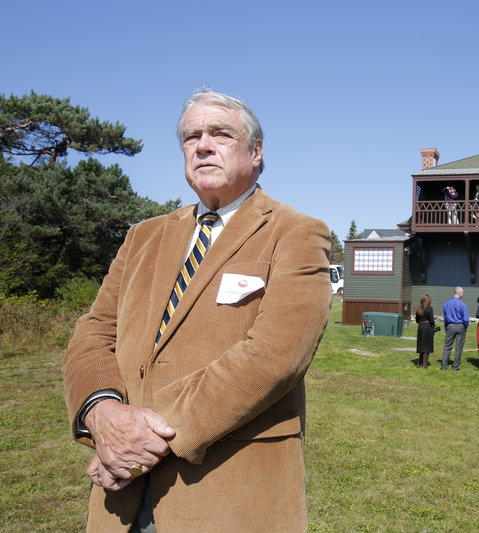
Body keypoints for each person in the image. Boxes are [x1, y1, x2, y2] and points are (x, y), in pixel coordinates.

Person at [62, 89, 331, 532]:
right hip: (120, 495)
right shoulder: (142, 236)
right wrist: (103, 414)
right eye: (191, 136)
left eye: (221, 133)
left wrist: (141, 440)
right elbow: (94, 333)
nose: (202, 145)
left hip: (227, 491)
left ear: (256, 151)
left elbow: (276, 354)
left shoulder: (296, 233)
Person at [441, 286, 470, 370]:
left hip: (450, 325)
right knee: (459, 348)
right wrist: (465, 326)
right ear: (459, 293)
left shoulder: (446, 303)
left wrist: (447, 327)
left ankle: (444, 366)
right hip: (460, 326)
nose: (462, 294)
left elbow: (445, 317)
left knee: (447, 347)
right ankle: (456, 366)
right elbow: (466, 318)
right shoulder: (463, 304)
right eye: (462, 293)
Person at [415, 294, 435, 368]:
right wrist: (432, 326)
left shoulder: (418, 308)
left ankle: (419, 363)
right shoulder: (429, 309)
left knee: (421, 344)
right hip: (427, 327)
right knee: (427, 345)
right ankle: (425, 364)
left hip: (420, 326)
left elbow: (417, 320)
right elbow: (432, 321)